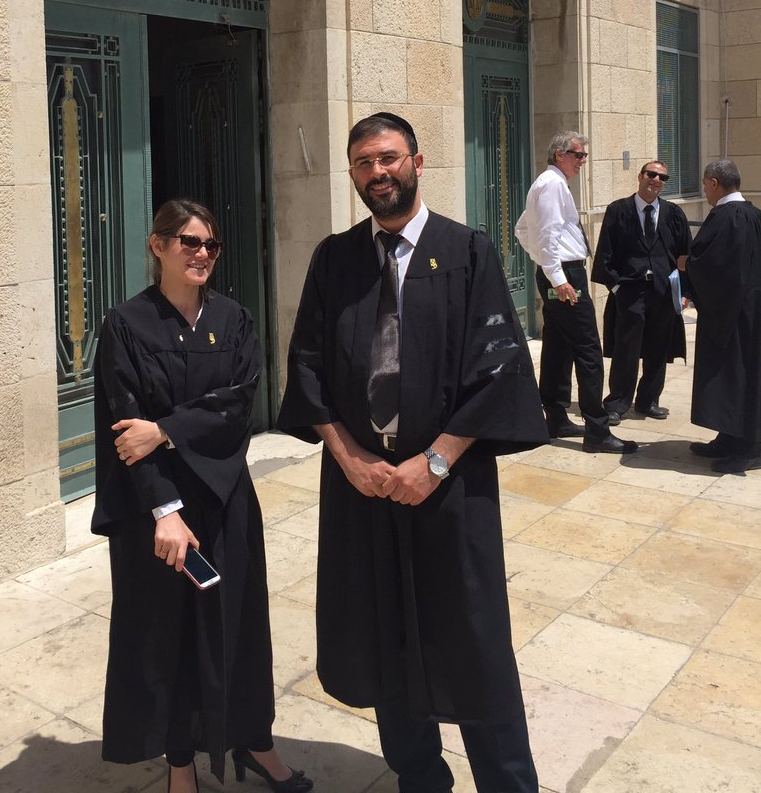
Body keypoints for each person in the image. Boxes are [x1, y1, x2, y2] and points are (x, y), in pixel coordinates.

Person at [278, 112, 548, 793]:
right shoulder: (335, 259)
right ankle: (419, 777)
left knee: (474, 643)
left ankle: (508, 784)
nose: (378, 172)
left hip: (448, 486)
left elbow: (498, 368)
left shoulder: (468, 252)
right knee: (385, 636)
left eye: (389, 158)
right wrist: (349, 459)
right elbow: (307, 366)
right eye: (364, 162)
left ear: (417, 163)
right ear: (352, 173)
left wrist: (435, 462)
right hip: (364, 487)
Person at [92, 199, 312, 793]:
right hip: (157, 510)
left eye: (210, 244)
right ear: (157, 245)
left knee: (239, 626)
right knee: (168, 637)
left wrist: (165, 429)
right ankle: (180, 762)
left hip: (223, 498)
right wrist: (165, 510)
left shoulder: (234, 319)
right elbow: (125, 431)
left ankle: (255, 743)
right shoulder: (126, 325)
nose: (202, 253)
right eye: (188, 241)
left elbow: (238, 405)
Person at [514, 130, 637, 453]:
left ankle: (555, 416)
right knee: (588, 350)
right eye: (578, 155)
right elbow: (546, 233)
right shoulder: (552, 185)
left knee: (558, 346)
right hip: (566, 276)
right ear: (560, 154)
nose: (583, 161)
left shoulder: (548, 183)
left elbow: (523, 229)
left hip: (559, 273)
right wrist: (557, 276)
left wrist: (544, 266)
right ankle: (597, 429)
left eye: (584, 155)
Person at [678, 159, 761, 475]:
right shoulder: (753, 214)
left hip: (734, 316)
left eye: (704, 183)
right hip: (745, 312)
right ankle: (729, 437)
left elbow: (717, 265)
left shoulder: (728, 217)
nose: (704, 190)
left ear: (714, 183)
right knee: (735, 376)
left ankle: (751, 447)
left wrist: (687, 264)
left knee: (741, 376)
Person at [592, 161, 691, 423]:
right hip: (630, 290)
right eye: (651, 174)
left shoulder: (674, 213)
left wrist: (685, 291)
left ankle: (648, 401)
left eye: (662, 177)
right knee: (627, 348)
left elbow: (685, 254)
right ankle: (617, 403)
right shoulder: (618, 210)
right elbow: (605, 252)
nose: (656, 180)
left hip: (663, 291)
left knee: (659, 348)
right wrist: (616, 286)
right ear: (640, 176)